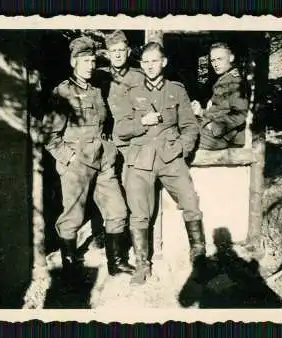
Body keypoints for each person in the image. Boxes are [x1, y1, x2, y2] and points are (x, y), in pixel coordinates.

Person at [42, 36, 135, 279]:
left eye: (93, 60)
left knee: (118, 210)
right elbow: (49, 135)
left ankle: (116, 263)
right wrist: (69, 157)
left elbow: (105, 122)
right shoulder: (62, 92)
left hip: (103, 160)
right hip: (78, 162)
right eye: (85, 61)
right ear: (74, 62)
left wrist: (110, 147)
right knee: (72, 216)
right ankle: (70, 269)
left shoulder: (96, 90)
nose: (90, 65)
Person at [115, 42, 206, 285]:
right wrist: (142, 122)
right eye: (145, 62)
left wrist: (182, 151)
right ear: (141, 65)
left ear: (163, 62)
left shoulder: (177, 90)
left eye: (154, 61)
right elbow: (120, 130)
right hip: (140, 160)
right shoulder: (130, 92)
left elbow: (189, 126)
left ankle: (199, 258)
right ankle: (142, 265)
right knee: (139, 214)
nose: (150, 66)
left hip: (170, 158)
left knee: (190, 202)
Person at [94, 30, 146, 188]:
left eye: (121, 50)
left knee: (133, 187)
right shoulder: (98, 77)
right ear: (107, 54)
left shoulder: (140, 77)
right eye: (113, 51)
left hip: (132, 142)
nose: (117, 55)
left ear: (128, 52)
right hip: (107, 142)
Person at [191, 42, 249, 150]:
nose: (215, 64)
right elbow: (220, 110)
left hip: (225, 137)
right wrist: (200, 112)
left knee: (184, 140)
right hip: (215, 133)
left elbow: (240, 114)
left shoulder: (235, 81)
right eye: (213, 60)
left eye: (220, 59)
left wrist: (215, 127)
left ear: (231, 58)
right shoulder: (224, 79)